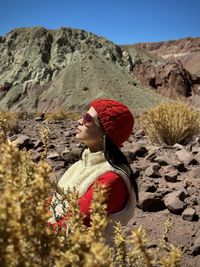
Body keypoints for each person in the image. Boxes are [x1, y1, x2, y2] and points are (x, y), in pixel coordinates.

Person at [47, 98, 138, 243]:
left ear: (105, 133)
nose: (79, 121)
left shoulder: (111, 179)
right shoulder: (80, 165)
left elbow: (72, 224)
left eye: (87, 118)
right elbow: (53, 203)